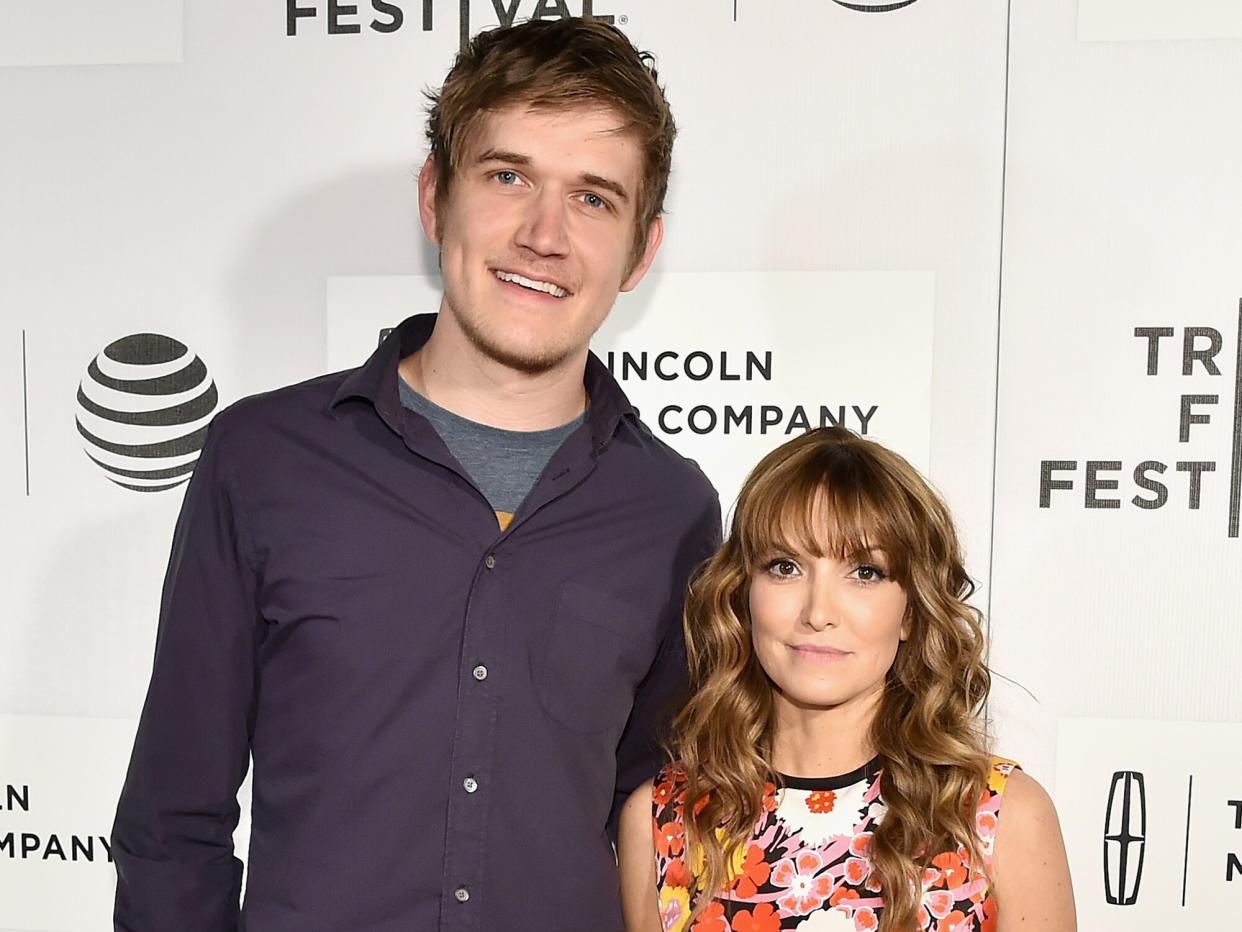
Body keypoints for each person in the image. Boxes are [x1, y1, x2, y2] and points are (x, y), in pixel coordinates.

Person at [112, 18, 720, 932]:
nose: (543, 234)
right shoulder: (264, 460)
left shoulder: (673, 511)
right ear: (435, 199)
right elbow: (173, 819)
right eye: (507, 176)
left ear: (641, 249)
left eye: (593, 199)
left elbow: (662, 825)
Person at [618, 427, 1075, 932]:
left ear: (910, 612)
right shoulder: (666, 820)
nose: (818, 612)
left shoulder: (997, 816)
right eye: (785, 566)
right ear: (742, 595)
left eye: (864, 572)